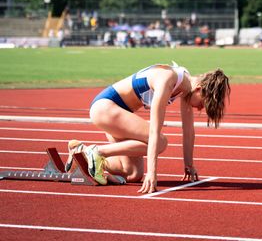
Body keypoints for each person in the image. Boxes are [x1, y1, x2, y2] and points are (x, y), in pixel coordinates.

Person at [66, 63, 230, 194]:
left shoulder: (188, 89)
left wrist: (189, 164)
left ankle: (82, 152)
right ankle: (96, 152)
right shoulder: (168, 79)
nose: (200, 109)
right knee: (160, 141)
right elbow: (154, 132)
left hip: (119, 113)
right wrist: (152, 173)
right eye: (202, 104)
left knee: (131, 174)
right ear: (199, 88)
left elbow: (188, 131)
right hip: (106, 108)